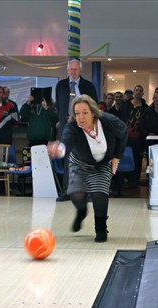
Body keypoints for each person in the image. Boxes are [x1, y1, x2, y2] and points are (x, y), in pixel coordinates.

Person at [47, 95, 127, 242]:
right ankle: (81, 211)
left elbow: (123, 133)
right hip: (80, 163)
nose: (80, 117)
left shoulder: (108, 121)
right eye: (77, 113)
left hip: (102, 164)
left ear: (93, 112)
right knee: (76, 194)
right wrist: (59, 149)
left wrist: (117, 156)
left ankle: (101, 229)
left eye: (85, 112)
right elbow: (66, 142)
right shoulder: (72, 126)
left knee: (99, 193)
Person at [55, 59, 98, 202]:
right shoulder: (61, 85)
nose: (73, 72)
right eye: (71, 69)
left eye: (75, 69)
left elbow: (94, 107)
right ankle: (66, 192)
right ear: (67, 70)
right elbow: (59, 107)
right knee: (67, 161)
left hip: (84, 126)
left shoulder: (89, 86)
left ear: (80, 71)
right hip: (66, 127)